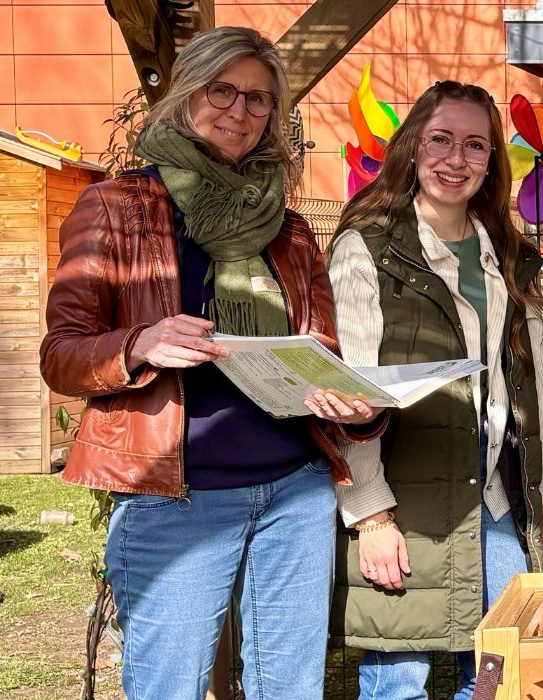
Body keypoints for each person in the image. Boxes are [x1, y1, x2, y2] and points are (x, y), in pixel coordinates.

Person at [39, 26, 377, 699]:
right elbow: (61, 355)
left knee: (292, 690)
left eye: (257, 99)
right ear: (188, 92)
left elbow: (322, 354)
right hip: (175, 499)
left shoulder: (289, 229)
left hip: (296, 493)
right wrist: (137, 344)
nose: (239, 111)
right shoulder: (116, 207)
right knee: (170, 687)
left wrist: (354, 408)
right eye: (222, 90)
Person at [326, 80, 543, 700]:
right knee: (398, 682)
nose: (457, 159)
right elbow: (351, 389)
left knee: (499, 677)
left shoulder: (507, 254)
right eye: (441, 140)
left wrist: (541, 491)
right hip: (406, 496)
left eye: (475, 145)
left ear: (492, 160)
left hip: (495, 495)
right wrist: (371, 514)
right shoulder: (368, 249)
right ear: (412, 146)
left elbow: (530, 376)